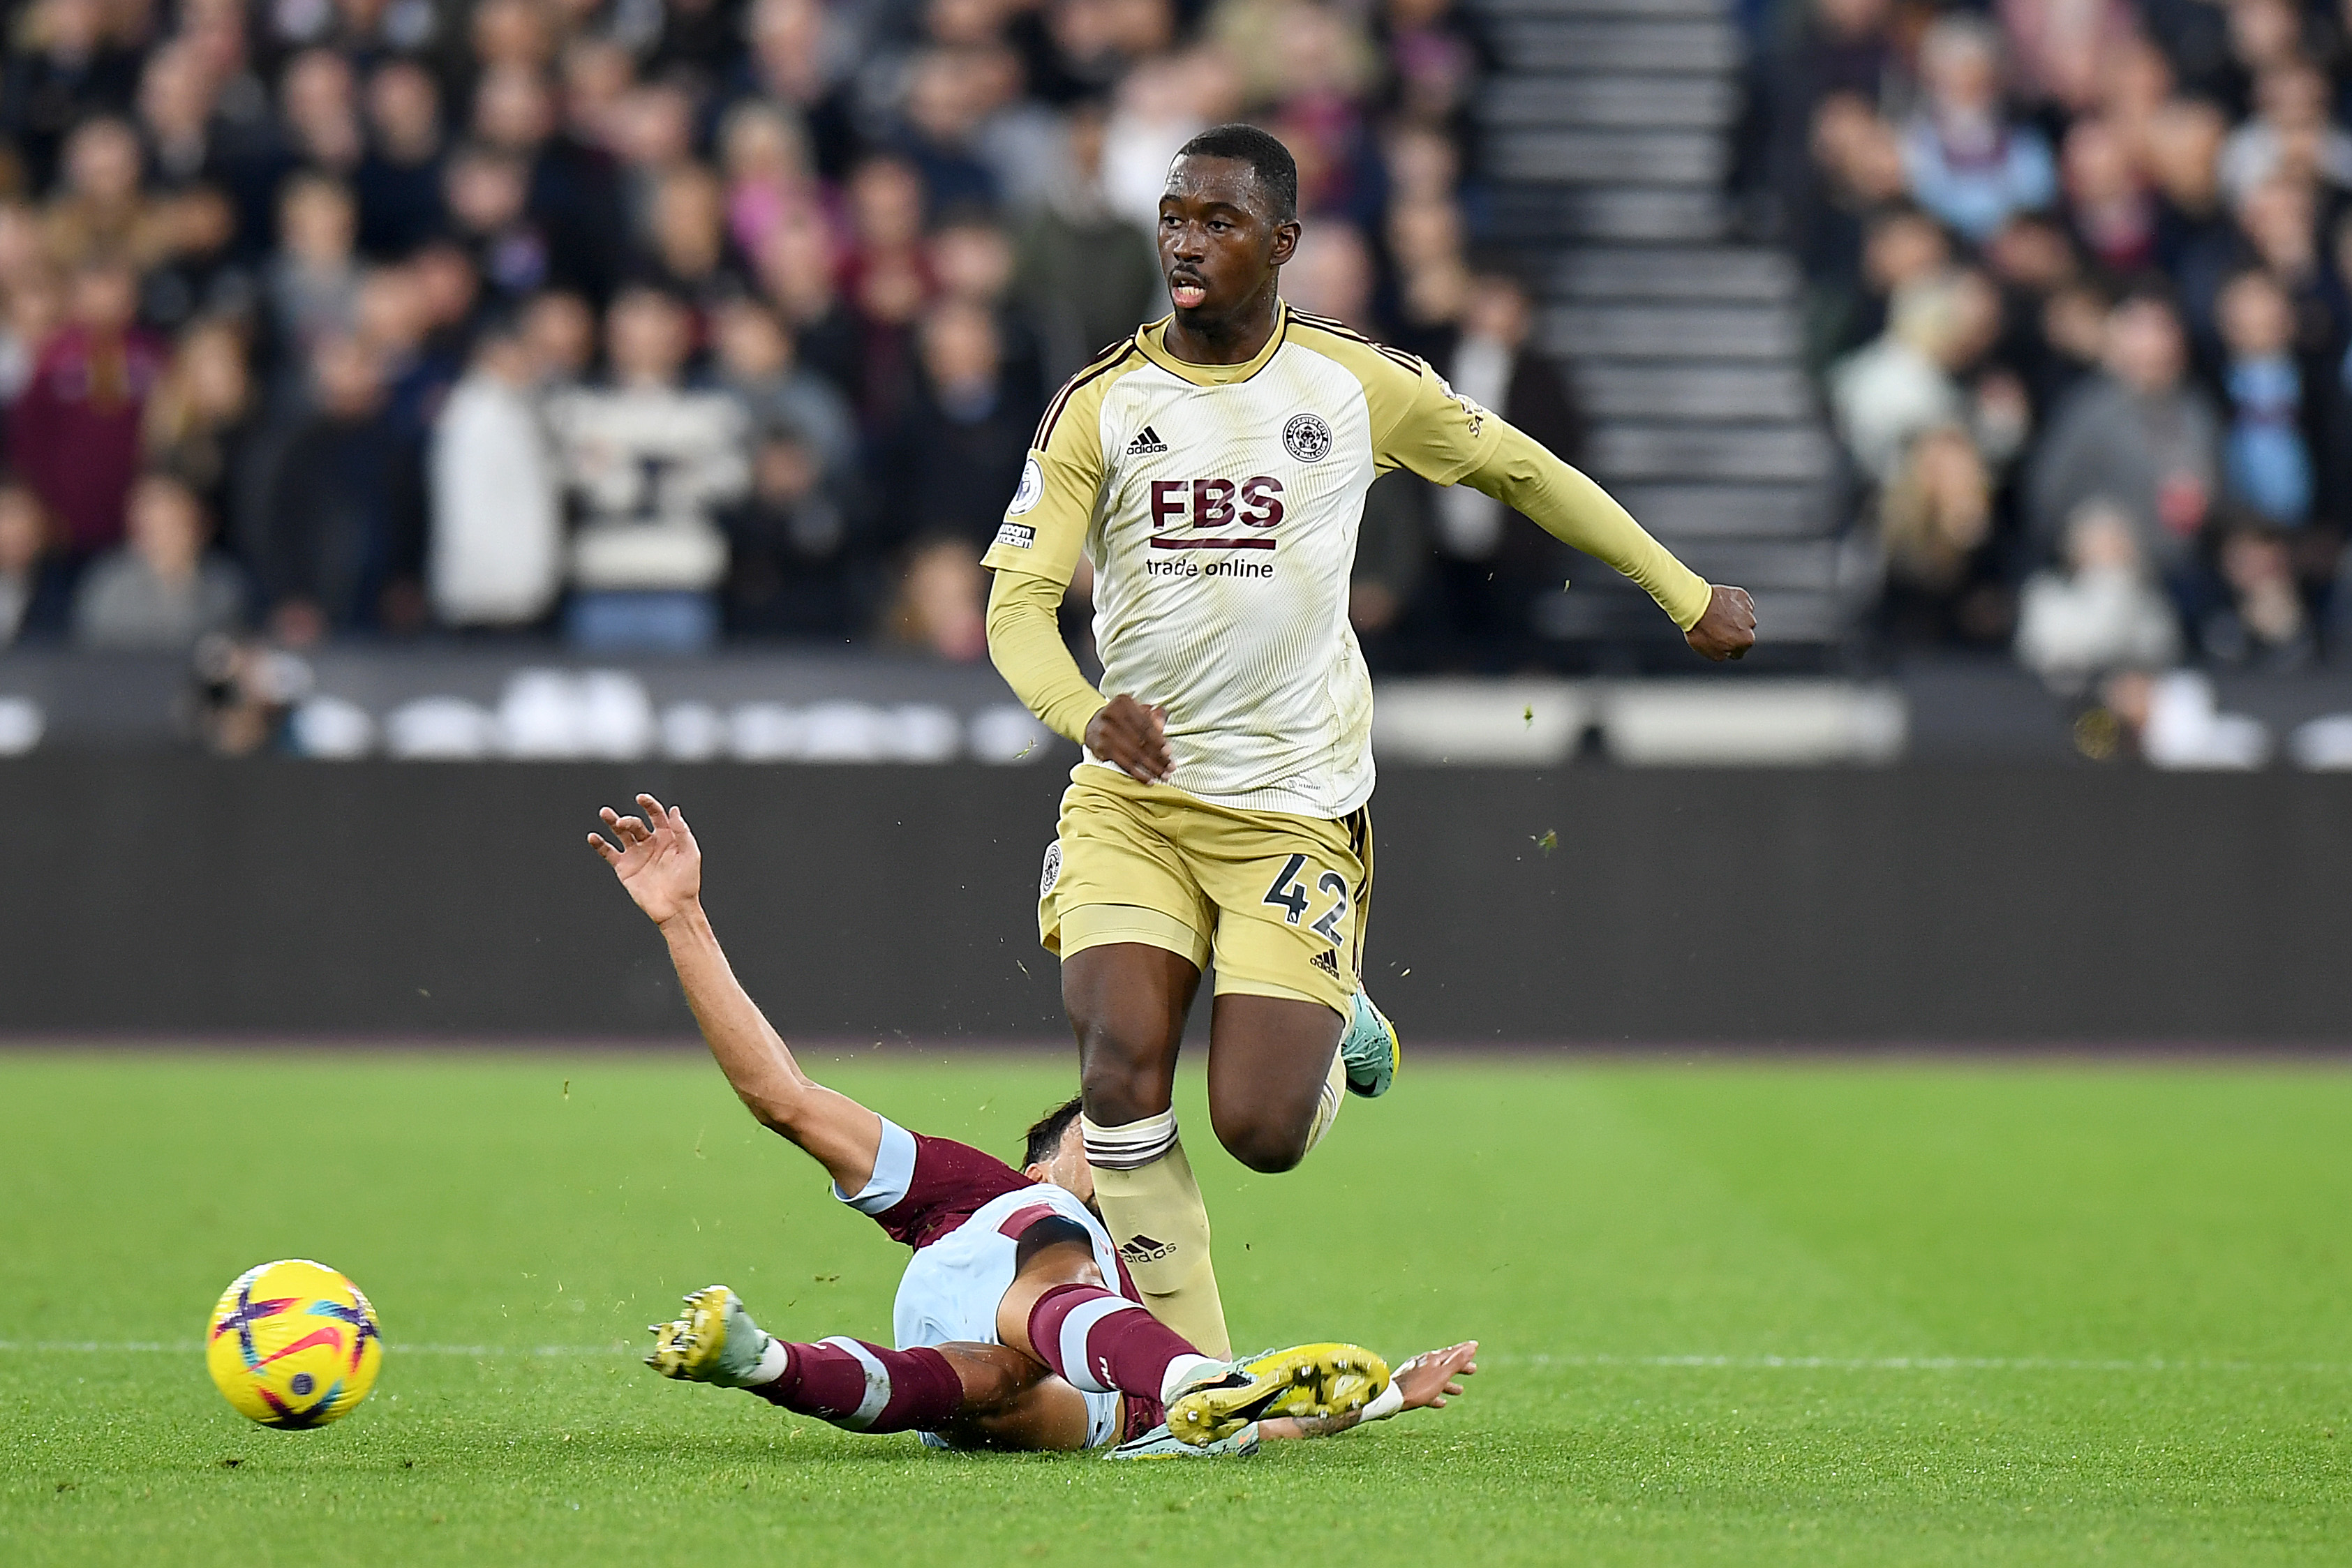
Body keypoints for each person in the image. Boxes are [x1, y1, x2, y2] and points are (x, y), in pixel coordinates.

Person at [982, 125, 1756, 1357]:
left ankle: (1334, 1006)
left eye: (1220, 219)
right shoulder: (1100, 402)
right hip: (1133, 800)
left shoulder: (1350, 385)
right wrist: (1087, 713)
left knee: (1261, 1132)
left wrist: (1680, 588)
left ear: (1282, 244)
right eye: (1174, 214)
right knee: (1121, 1070)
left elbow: (1519, 469)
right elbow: (1015, 607)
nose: (1186, 237)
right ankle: (1192, 1385)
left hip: (1295, 802)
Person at [588, 791, 1475, 1456]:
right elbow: (783, 1097)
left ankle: (762, 1362)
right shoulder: (977, 1191)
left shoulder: (1138, 1268)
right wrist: (683, 918)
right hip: (1097, 1339)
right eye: (1106, 1138)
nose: (1136, 1153)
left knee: (994, 1386)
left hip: (1065, 1404)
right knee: (1056, 1260)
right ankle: (1187, 1384)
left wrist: (1389, 1396)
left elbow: (1267, 1415)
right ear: (1047, 1157)